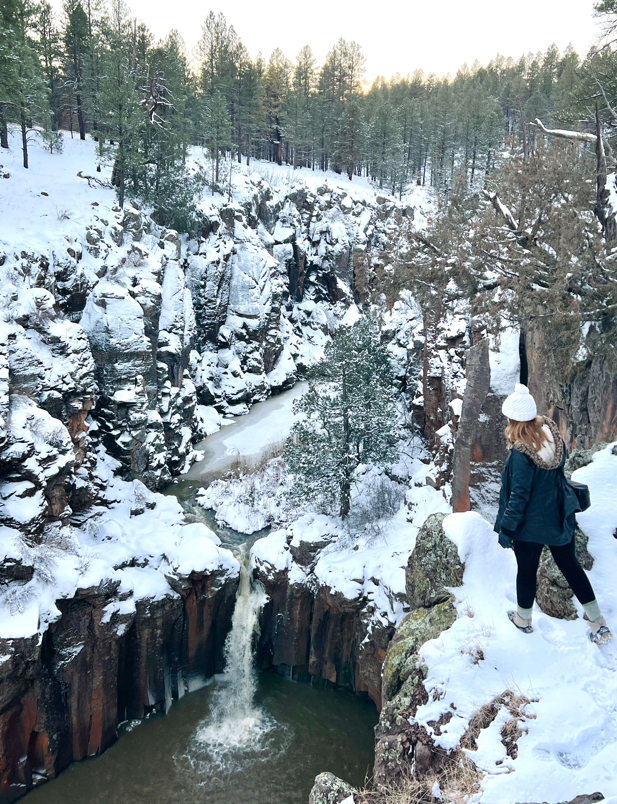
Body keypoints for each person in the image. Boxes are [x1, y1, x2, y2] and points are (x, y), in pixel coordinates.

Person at [494, 383, 611, 644]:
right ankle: (597, 622)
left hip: (529, 525)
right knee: (571, 566)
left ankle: (523, 619)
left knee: (526, 570)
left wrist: (507, 529)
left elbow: (518, 497)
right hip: (558, 515)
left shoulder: (520, 456)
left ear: (513, 419)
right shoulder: (552, 436)